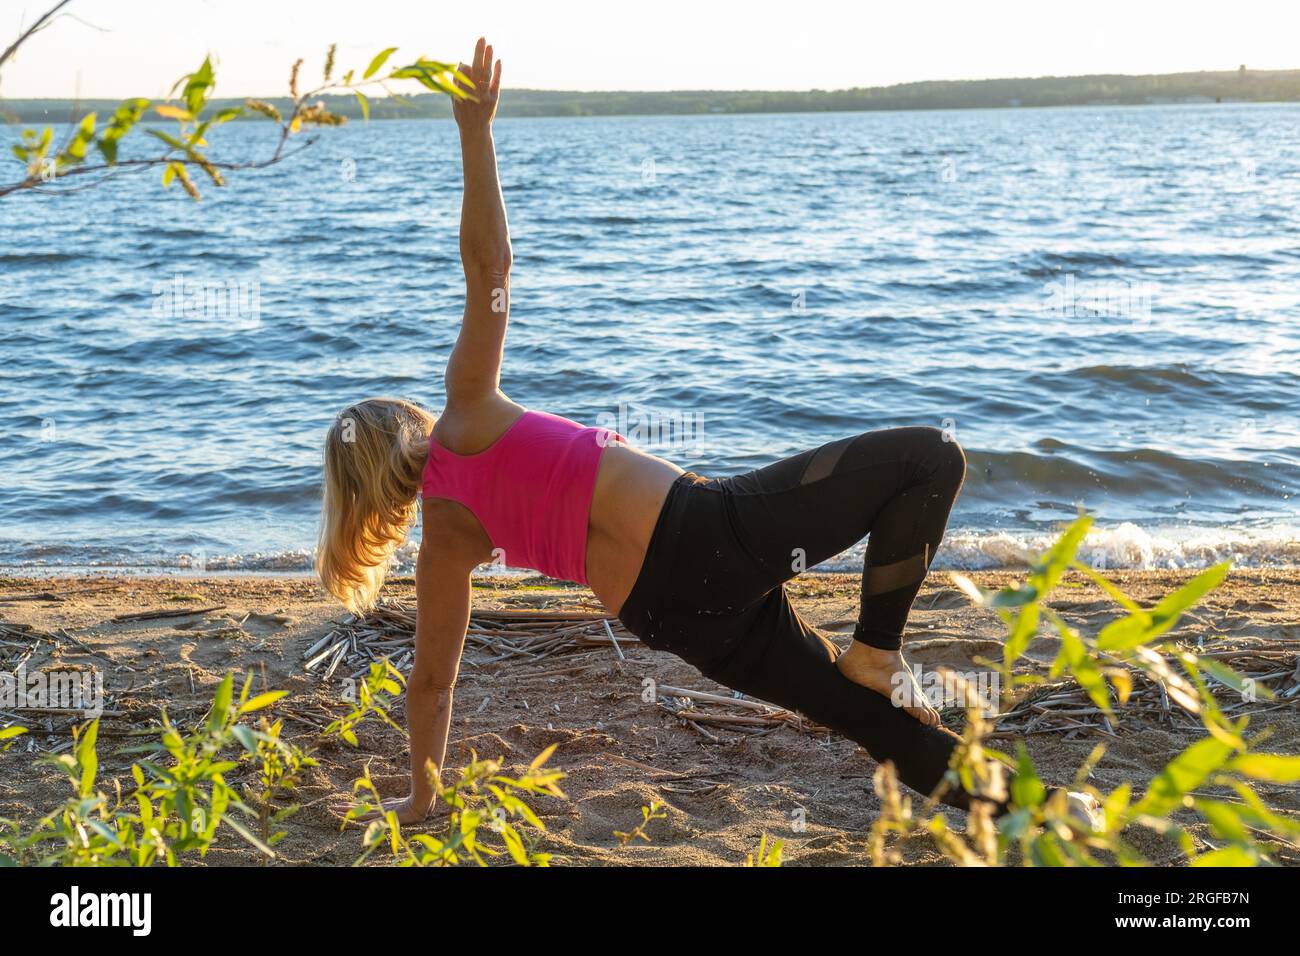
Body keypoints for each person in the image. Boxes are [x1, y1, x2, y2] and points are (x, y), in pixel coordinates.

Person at [316, 38, 1092, 827]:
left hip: (674, 623)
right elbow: (491, 270)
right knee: (930, 459)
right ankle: (878, 649)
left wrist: (423, 794)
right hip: (705, 534)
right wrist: (475, 133)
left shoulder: (442, 547)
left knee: (870, 719)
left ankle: (1038, 813)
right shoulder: (465, 413)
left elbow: (434, 684)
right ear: (405, 425)